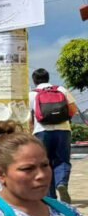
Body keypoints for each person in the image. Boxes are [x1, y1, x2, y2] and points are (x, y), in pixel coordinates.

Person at [29, 68, 79, 203]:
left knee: (45, 163)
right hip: (63, 130)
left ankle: (51, 199)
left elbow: (28, 119)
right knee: (62, 160)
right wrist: (62, 118)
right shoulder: (61, 89)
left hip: (41, 132)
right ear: (48, 78)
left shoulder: (32, 95)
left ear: (34, 81)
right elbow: (73, 109)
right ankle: (61, 184)